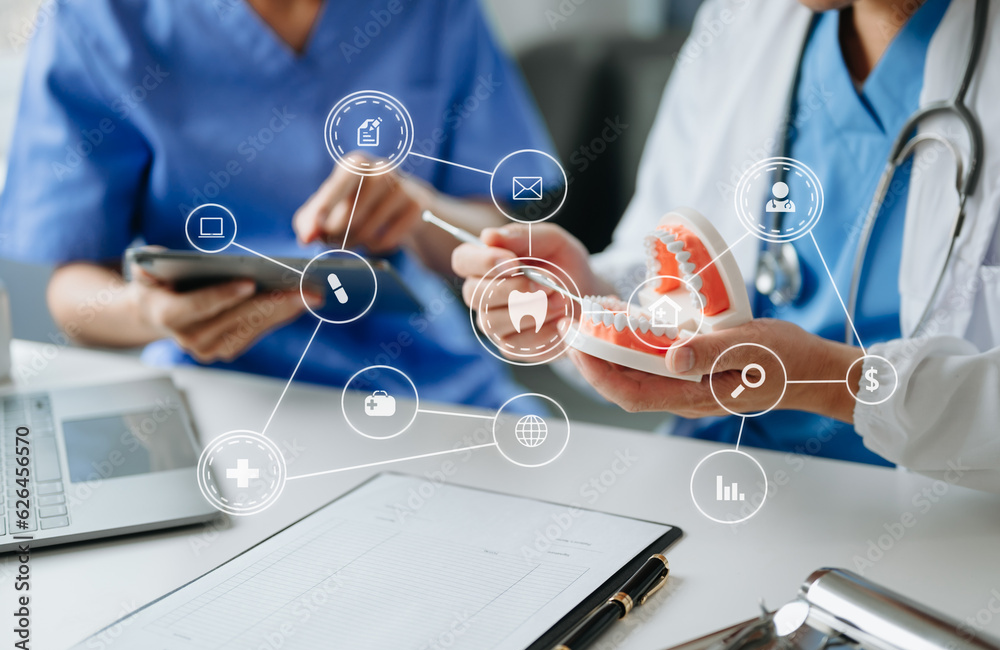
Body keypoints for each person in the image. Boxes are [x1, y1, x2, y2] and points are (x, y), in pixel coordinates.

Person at [454, 0, 1000, 491]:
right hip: (717, 478)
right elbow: (665, 280)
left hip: (926, 516)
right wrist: (587, 301)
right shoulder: (743, 19)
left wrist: (833, 382)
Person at [0, 0, 556, 409]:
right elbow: (73, 290)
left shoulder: (435, 13)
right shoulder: (97, 19)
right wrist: (151, 314)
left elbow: (500, 228)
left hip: (431, 381)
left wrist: (418, 210)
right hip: (223, 392)